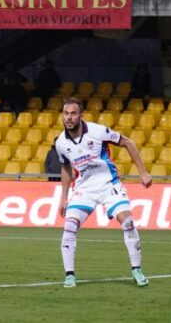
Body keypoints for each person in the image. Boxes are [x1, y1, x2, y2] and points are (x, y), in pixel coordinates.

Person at [55, 97, 152, 288]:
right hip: (84, 188)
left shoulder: (98, 131)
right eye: (66, 113)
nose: (69, 118)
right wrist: (63, 197)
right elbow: (65, 168)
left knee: (128, 222)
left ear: (81, 115)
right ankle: (70, 275)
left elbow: (127, 142)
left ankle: (137, 270)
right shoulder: (61, 143)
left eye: (73, 113)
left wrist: (143, 172)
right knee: (69, 226)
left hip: (109, 184)